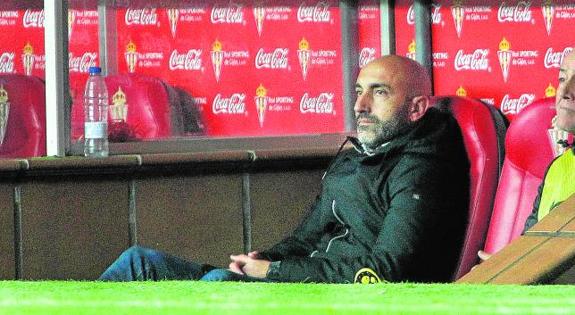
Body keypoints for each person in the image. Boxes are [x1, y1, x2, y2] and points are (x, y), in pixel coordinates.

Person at [99, 55, 470, 283]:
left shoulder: (423, 168)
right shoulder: (356, 156)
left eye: (379, 92)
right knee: (138, 264)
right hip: (298, 282)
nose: (360, 104)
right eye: (358, 90)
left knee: (217, 284)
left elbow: (388, 270)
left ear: (417, 108)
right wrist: (268, 259)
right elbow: (305, 239)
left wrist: (275, 274)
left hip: (337, 300)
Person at [477, 49, 575, 262]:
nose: (565, 91)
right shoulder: (558, 167)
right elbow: (528, 250)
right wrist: (500, 268)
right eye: (562, 79)